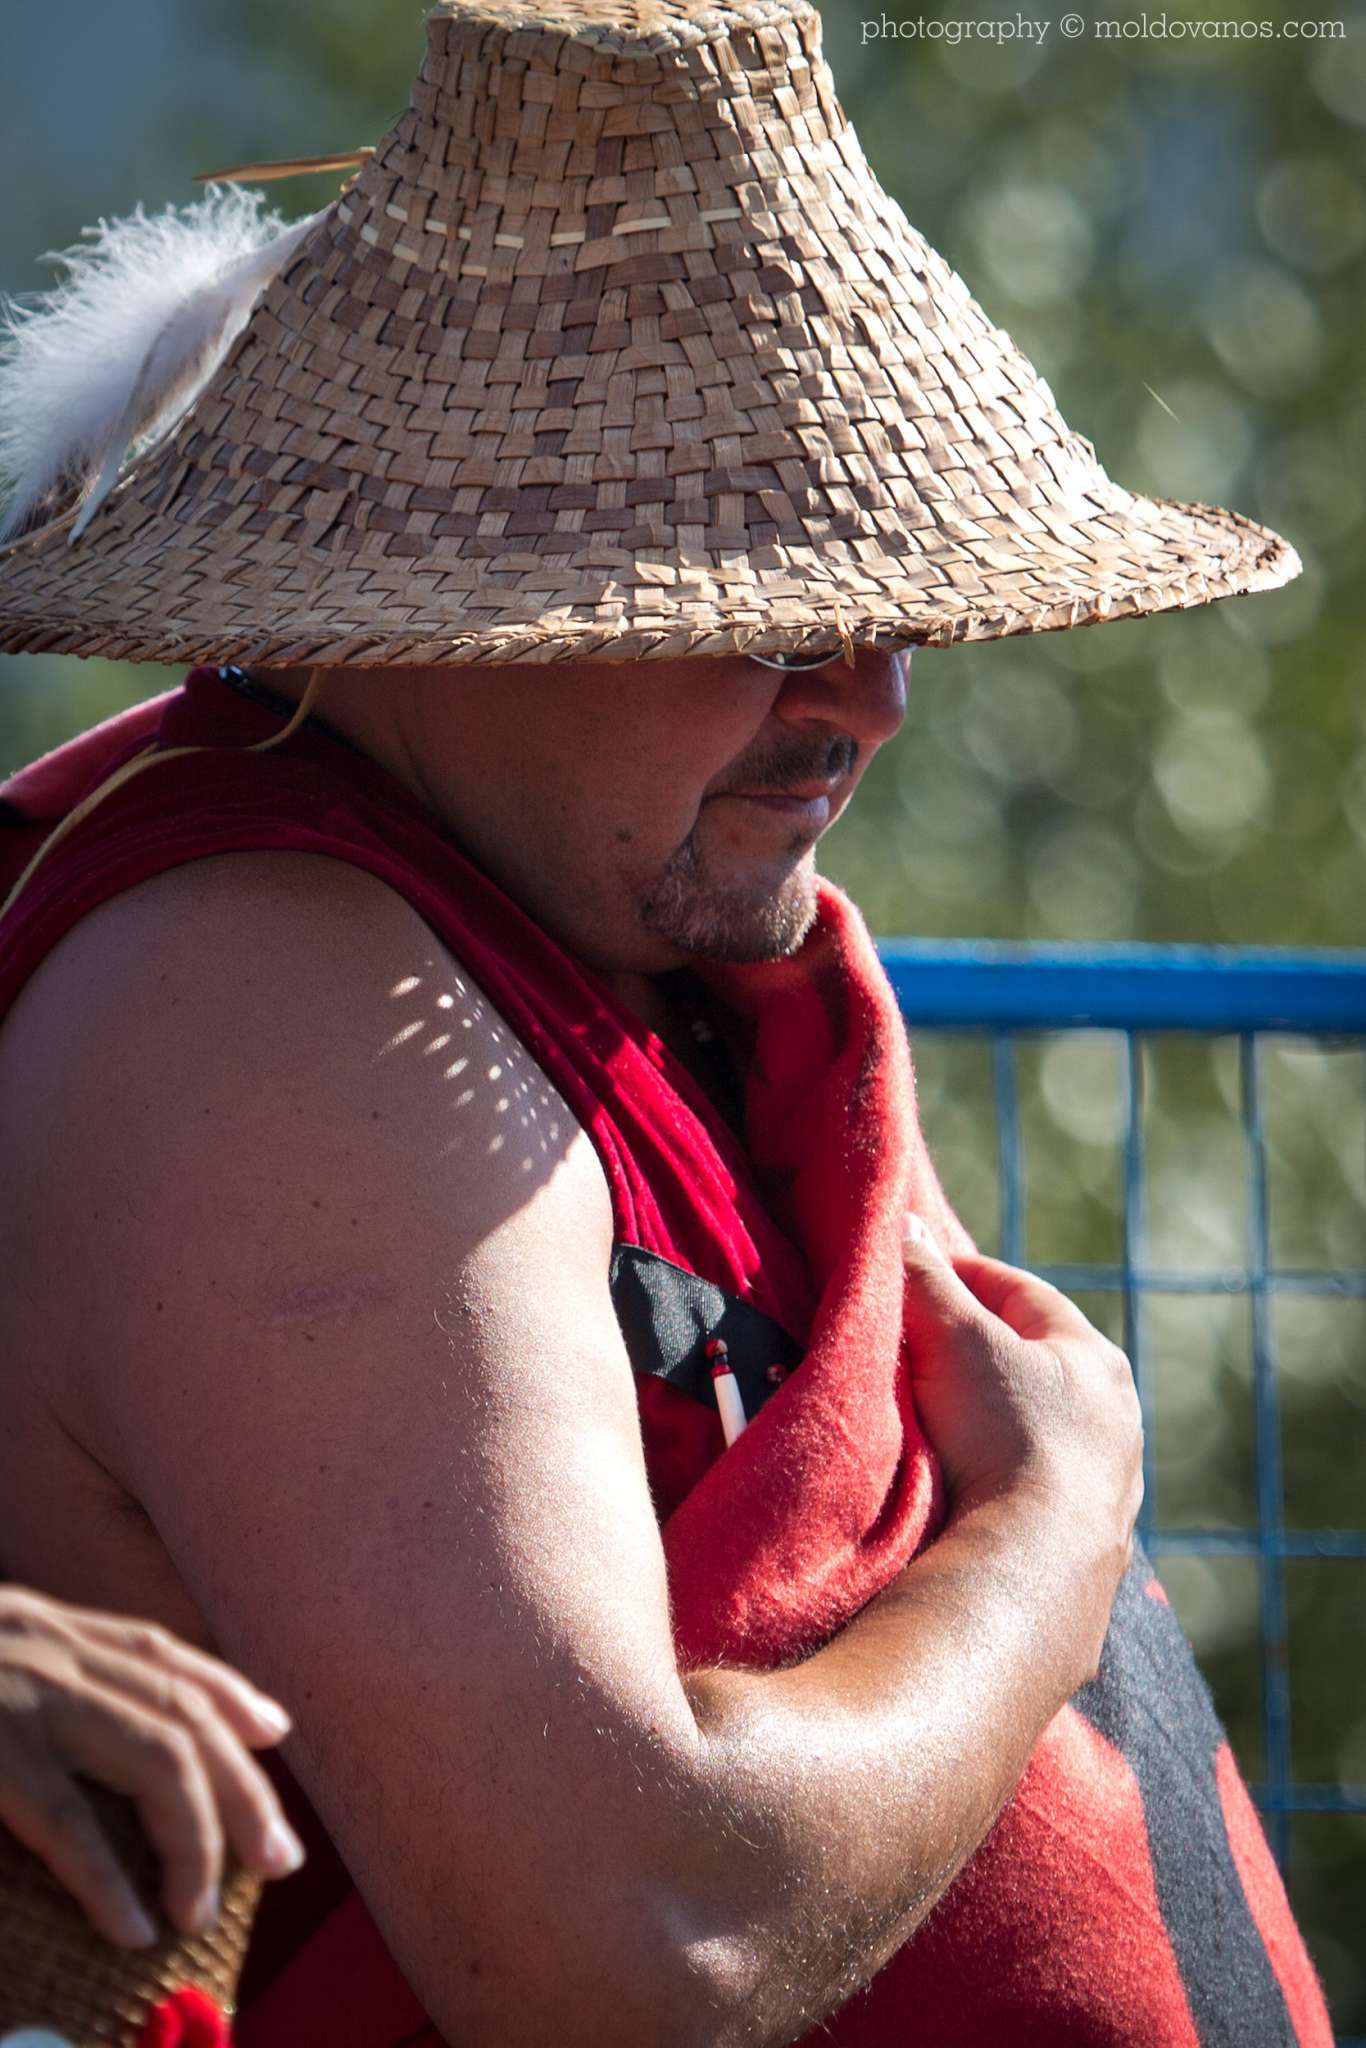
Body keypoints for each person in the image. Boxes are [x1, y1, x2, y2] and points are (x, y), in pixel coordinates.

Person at [0, 1, 1333, 2043]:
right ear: (464, 594)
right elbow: (636, 1947)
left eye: (894, 602)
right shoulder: (265, 987)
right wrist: (1051, 1530)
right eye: (772, 606)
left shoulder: (601, 916)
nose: (869, 697)